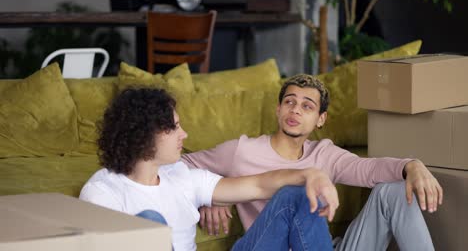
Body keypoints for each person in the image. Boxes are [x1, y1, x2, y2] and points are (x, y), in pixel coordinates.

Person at [182, 74, 443, 251]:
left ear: (321, 119)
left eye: (307, 106)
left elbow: (369, 170)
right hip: (266, 246)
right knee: (298, 191)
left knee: (394, 190)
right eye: (289, 102)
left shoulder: (324, 154)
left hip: (320, 245)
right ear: (278, 110)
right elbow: (180, 164)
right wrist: (208, 197)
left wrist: (412, 165)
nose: (295, 110)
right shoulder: (241, 150)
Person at [79, 87, 340, 251]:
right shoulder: (103, 192)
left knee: (294, 196)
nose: (184, 134)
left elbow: (259, 184)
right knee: (151, 222)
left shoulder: (181, 177)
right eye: (174, 127)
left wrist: (311, 174)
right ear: (144, 135)